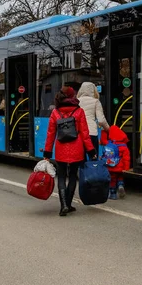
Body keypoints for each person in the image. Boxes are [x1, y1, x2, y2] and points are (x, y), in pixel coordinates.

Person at [44, 87, 96, 216]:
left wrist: (47, 153)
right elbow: (85, 134)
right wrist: (91, 151)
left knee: (61, 176)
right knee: (73, 176)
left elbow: (50, 134)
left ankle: (63, 206)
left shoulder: (55, 112)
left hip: (61, 148)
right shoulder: (79, 111)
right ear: (73, 96)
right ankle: (68, 203)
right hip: (76, 148)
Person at [77, 82, 110, 153]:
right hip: (91, 133)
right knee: (94, 160)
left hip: (79, 133)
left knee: (81, 159)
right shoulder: (96, 101)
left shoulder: (76, 101)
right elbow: (101, 120)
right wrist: (108, 129)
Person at [104, 125, 131, 200]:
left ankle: (113, 194)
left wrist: (104, 131)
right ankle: (120, 185)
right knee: (120, 177)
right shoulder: (124, 146)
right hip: (120, 167)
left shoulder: (109, 144)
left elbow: (103, 141)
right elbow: (126, 158)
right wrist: (126, 168)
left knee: (112, 180)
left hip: (111, 167)